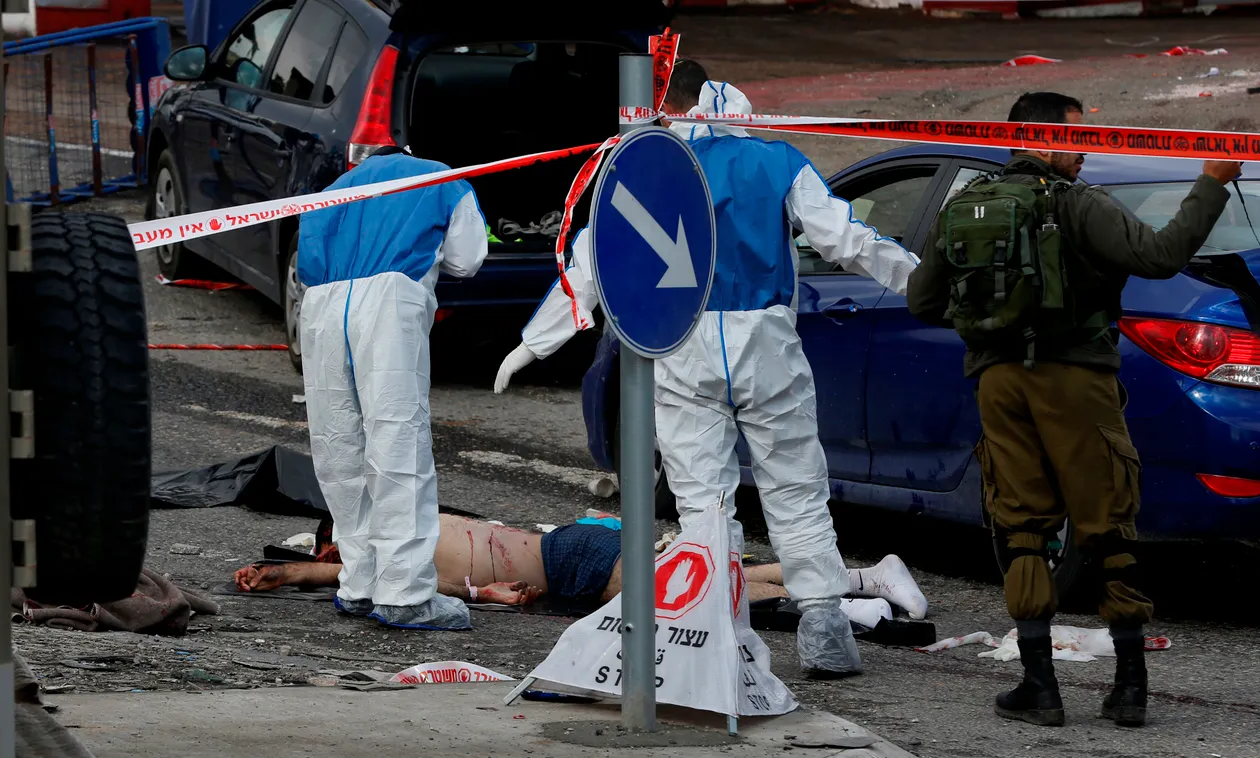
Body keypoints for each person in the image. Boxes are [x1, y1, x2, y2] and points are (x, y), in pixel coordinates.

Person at [493, 61, 921, 676]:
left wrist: (534, 344)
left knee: (703, 499)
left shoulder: (640, 169)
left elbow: (592, 266)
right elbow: (846, 240)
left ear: (661, 106)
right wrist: (922, 280)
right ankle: (824, 627)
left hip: (680, 343)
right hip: (766, 341)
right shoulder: (775, 162)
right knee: (795, 486)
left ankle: (717, 635)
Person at [906, 91, 1243, 728]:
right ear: (1036, 138)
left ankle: (1039, 686)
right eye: (1075, 136)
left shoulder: (965, 208)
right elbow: (1161, 256)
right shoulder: (1078, 204)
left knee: (1021, 524)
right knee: (1108, 520)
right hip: (1077, 380)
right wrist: (1211, 183)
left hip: (998, 384)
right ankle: (1130, 686)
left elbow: (923, 303)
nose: (1086, 147)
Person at [298, 145, 489, 631]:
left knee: (337, 447)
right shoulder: (441, 174)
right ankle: (405, 594)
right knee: (398, 441)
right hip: (388, 300)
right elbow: (468, 260)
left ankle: (360, 583)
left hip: (320, 308)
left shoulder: (333, 190)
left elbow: (305, 267)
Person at [233, 513, 929, 628]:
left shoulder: (384, 543)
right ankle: (862, 581)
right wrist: (283, 574)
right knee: (715, 574)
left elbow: (367, 577)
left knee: (711, 588)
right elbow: (334, 575)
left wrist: (288, 575)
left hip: (570, 558)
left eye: (329, 551)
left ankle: (856, 593)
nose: (334, 564)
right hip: (571, 551)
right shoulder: (407, 515)